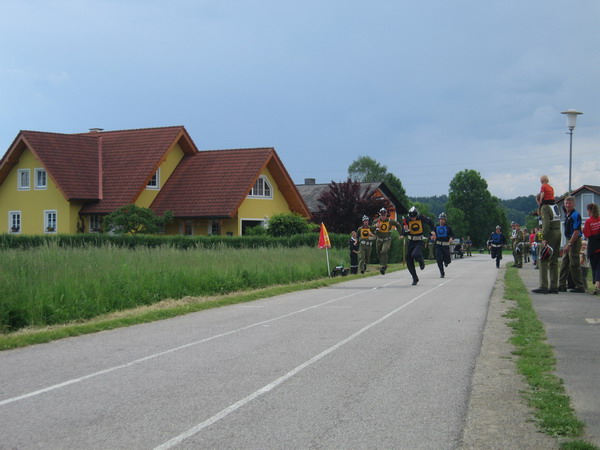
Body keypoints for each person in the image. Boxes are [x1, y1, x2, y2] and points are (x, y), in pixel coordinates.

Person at [532, 199, 561, 294]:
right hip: (558, 232)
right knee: (554, 261)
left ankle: (543, 285)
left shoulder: (545, 207)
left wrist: (543, 238)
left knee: (543, 259)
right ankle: (554, 286)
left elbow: (546, 224)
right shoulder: (555, 206)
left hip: (550, 234)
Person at [402, 206, 435, 285]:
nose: (413, 218)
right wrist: (406, 230)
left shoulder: (421, 218)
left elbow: (430, 222)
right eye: (411, 217)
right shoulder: (406, 220)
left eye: (414, 216)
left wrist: (432, 231)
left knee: (415, 254)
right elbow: (404, 233)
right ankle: (415, 278)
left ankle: (421, 260)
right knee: (409, 261)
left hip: (419, 241)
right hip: (411, 241)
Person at [558, 196, 585, 293]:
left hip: (574, 239)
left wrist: (569, 244)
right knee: (564, 263)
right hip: (568, 238)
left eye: (569, 203)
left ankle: (580, 286)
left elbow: (576, 231)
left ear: (574, 204)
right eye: (566, 203)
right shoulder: (567, 214)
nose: (567, 205)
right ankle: (561, 285)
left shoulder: (575, 215)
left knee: (574, 264)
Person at [371, 208, 402, 275]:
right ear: (380, 215)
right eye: (382, 215)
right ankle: (383, 263)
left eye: (384, 215)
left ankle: (384, 266)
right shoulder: (376, 221)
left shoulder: (390, 221)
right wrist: (375, 226)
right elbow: (371, 229)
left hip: (387, 239)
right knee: (378, 253)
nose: (383, 217)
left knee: (384, 251)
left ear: (386, 215)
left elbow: (398, 225)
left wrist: (401, 234)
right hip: (379, 239)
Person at [583, 203, 600, 295]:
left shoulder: (588, 221)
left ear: (589, 210)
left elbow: (587, 235)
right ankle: (597, 285)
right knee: (599, 267)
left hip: (593, 247)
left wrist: (583, 229)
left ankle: (597, 286)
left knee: (595, 267)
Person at [434, 213, 454, 278]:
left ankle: (446, 262)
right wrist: (431, 236)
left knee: (448, 259)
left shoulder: (448, 228)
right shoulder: (436, 228)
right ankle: (442, 272)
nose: (442, 221)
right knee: (439, 259)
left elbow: (452, 235)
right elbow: (431, 234)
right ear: (439, 220)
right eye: (441, 219)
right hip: (438, 245)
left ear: (445, 220)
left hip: (445, 245)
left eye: (443, 219)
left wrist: (451, 238)